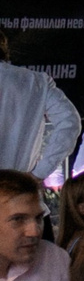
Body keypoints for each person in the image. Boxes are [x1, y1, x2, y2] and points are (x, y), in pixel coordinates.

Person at [0, 37, 79, 190]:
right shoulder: (36, 81)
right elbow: (70, 122)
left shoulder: (38, 82)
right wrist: (39, 173)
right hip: (19, 187)